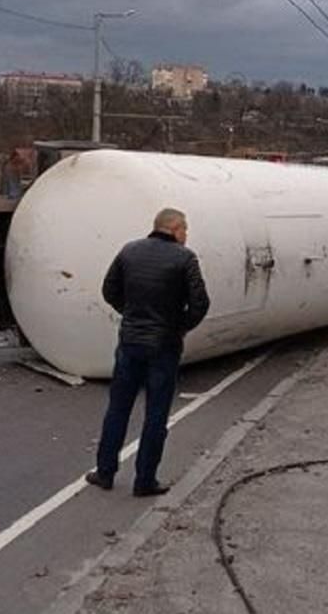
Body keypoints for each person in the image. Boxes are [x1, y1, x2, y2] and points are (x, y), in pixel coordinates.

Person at [85, 208, 211, 497]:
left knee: (118, 409)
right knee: (156, 415)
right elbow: (201, 303)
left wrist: (129, 313)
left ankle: (105, 472)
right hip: (163, 347)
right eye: (185, 229)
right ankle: (145, 480)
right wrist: (179, 327)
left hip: (130, 342)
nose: (186, 235)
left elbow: (109, 290)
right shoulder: (185, 258)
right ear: (175, 228)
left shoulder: (129, 251)